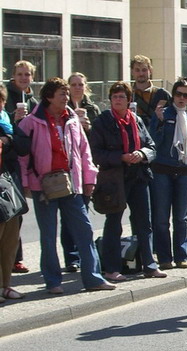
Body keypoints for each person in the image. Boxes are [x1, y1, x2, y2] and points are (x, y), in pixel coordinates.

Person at [15, 77, 115, 294]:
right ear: (49, 97)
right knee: (48, 235)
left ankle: (93, 278)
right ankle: (53, 281)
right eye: (62, 94)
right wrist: (25, 184)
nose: (67, 97)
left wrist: (89, 179)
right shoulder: (31, 122)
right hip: (44, 187)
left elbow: (84, 151)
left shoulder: (72, 120)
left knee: (84, 231)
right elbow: (22, 157)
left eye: (67, 94)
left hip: (72, 185)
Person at [91, 81, 166, 281]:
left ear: (128, 100)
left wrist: (141, 154)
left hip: (138, 176)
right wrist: (120, 157)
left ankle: (150, 265)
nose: (117, 100)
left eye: (121, 97)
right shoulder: (102, 121)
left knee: (143, 223)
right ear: (110, 100)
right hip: (114, 179)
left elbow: (151, 146)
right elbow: (97, 154)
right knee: (114, 223)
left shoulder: (137, 120)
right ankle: (112, 268)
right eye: (114, 97)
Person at [149, 77, 187, 270]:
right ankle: (164, 257)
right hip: (162, 170)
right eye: (178, 94)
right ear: (173, 95)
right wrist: (160, 122)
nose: (181, 98)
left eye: (185, 95)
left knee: (181, 217)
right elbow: (154, 142)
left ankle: (181, 255)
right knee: (162, 217)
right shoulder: (163, 114)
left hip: (183, 172)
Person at [60, 72, 102, 274]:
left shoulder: (92, 109)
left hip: (85, 166)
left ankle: (84, 255)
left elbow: (98, 139)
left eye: (80, 84)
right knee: (67, 216)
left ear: (86, 87)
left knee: (82, 212)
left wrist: (88, 127)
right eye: (73, 84)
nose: (77, 87)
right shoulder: (63, 110)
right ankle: (71, 257)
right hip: (66, 167)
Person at [5, 60, 38, 274]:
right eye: (20, 74)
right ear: (13, 76)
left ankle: (16, 258)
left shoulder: (33, 101)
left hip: (21, 162)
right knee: (7, 211)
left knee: (17, 211)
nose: (23, 78)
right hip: (6, 160)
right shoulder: (5, 97)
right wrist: (12, 118)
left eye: (27, 74)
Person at [0, 84, 25, 301]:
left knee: (10, 239)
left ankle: (5, 285)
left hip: (7, 185)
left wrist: (10, 138)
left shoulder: (7, 121)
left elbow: (23, 146)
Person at [130, 55, 171, 128]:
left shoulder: (163, 95)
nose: (141, 74)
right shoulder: (126, 95)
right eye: (137, 70)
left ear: (150, 71)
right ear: (132, 72)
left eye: (144, 70)